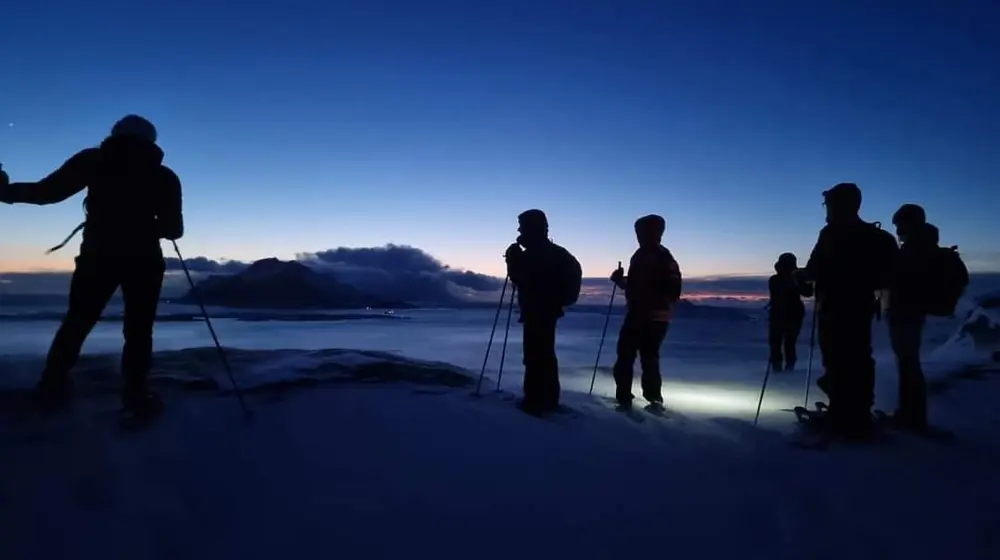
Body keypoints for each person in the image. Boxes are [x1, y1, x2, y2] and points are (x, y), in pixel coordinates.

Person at [0, 115, 184, 419]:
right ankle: (135, 396)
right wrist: (149, 222)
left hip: (98, 255)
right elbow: (174, 229)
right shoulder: (164, 176)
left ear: (115, 135)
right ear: (151, 141)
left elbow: (47, 193)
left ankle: (52, 387)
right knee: (138, 329)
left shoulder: (94, 160)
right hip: (144, 260)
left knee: (78, 322)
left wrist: (5, 193)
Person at [799, 183, 898, 440]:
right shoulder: (877, 237)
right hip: (861, 307)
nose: (827, 210)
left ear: (839, 205)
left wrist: (800, 278)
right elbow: (889, 276)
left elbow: (813, 270)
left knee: (836, 358)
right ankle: (857, 414)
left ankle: (842, 415)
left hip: (834, 307)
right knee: (859, 358)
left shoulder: (831, 234)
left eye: (829, 204)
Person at [504, 209, 582, 415]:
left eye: (522, 226)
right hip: (547, 309)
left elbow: (524, 279)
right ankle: (546, 399)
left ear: (532, 228)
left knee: (536, 355)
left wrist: (513, 261)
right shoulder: (554, 253)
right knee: (544, 354)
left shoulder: (537, 254)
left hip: (538, 309)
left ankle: (537, 401)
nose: (519, 230)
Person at [609, 214, 682, 410]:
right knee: (650, 356)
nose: (638, 236)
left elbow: (637, 288)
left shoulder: (644, 255)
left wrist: (620, 282)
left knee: (626, 354)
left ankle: (624, 398)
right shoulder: (667, 256)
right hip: (661, 317)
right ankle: (653, 397)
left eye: (640, 232)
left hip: (640, 314)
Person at [886, 204, 935, 433]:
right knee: (908, 363)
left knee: (908, 364)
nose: (897, 231)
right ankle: (910, 415)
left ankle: (912, 417)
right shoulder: (922, 246)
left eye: (900, 225)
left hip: (906, 313)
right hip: (910, 313)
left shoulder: (915, 249)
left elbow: (901, 280)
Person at [767, 253, 813, 372]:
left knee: (787, 343)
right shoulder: (775, 279)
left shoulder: (777, 279)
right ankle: (780, 368)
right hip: (784, 314)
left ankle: (785, 368)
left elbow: (808, 292)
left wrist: (800, 281)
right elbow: (807, 292)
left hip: (789, 314)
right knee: (780, 343)